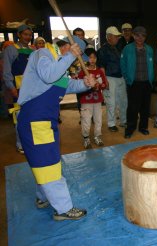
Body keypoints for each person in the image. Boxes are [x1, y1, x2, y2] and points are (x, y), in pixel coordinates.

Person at [17, 36, 96, 220]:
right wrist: (70, 57)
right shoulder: (42, 53)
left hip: (44, 121)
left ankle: (43, 197)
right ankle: (63, 209)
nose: (76, 62)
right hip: (35, 121)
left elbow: (67, 85)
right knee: (49, 163)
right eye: (77, 57)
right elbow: (49, 75)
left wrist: (85, 84)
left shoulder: (59, 66)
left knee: (42, 162)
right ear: (68, 47)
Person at [2, 24, 34, 154]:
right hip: (18, 88)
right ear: (19, 35)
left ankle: (30, 140)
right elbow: (6, 70)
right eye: (25, 34)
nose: (28, 37)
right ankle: (20, 143)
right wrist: (11, 87)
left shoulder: (32, 50)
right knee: (20, 116)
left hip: (32, 88)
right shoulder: (11, 49)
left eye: (30, 35)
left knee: (32, 115)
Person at [121, 26, 154, 139]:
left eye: (143, 36)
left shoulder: (149, 49)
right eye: (137, 35)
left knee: (145, 108)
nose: (140, 38)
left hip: (146, 83)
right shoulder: (127, 49)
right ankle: (130, 129)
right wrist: (127, 78)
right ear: (133, 36)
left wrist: (151, 79)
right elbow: (123, 64)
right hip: (133, 83)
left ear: (145, 37)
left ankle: (143, 127)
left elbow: (151, 65)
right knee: (132, 108)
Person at [97, 26, 128, 132]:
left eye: (118, 37)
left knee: (123, 101)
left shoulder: (118, 48)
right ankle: (111, 124)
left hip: (121, 77)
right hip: (109, 78)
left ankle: (123, 121)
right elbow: (101, 67)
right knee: (112, 102)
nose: (118, 38)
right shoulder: (102, 50)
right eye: (116, 36)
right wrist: (104, 80)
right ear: (109, 37)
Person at [77, 48, 108, 148]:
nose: (92, 59)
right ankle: (86, 138)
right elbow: (78, 86)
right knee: (86, 120)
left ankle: (97, 136)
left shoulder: (100, 71)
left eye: (94, 57)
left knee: (98, 120)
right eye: (90, 57)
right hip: (86, 101)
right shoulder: (82, 72)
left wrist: (99, 85)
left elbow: (104, 84)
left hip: (97, 100)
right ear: (86, 59)